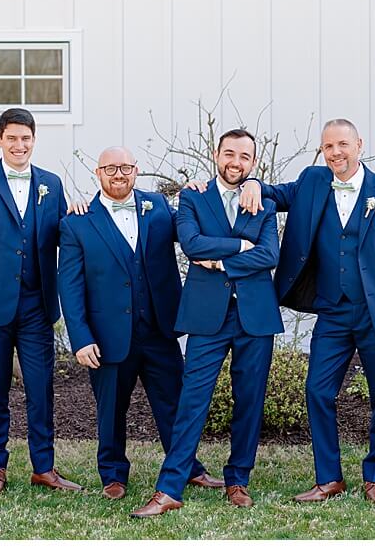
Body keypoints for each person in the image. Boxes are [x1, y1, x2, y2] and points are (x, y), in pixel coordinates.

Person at [235, 119, 375, 504]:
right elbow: (273, 193)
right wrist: (252, 183)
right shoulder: (312, 181)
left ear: (359, 145)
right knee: (317, 391)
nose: (336, 152)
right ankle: (329, 477)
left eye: (343, 144)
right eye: (328, 147)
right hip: (333, 312)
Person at [131, 129, 283, 517]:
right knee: (192, 399)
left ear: (253, 162)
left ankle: (238, 480)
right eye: (229, 153)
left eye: (244, 156)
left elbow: (269, 255)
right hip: (206, 314)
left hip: (255, 315)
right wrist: (239, 246)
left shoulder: (261, 201)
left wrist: (221, 261)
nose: (236, 161)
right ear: (216, 154)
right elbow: (192, 243)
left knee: (249, 400)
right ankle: (170, 487)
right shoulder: (194, 195)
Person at [57, 146, 223, 500]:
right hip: (107, 336)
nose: (119, 174)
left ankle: (188, 468)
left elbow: (193, 229)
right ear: (98, 173)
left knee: (174, 403)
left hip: (159, 329)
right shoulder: (77, 221)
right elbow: (69, 286)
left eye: (126, 168)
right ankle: (113, 474)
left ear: (136, 171)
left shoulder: (158, 207)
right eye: (111, 168)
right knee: (111, 409)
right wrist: (81, 338)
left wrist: (196, 192)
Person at [0, 107, 79, 495]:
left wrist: (79, 215)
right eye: (12, 138)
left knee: (41, 389)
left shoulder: (52, 184)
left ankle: (44, 467)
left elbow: (64, 236)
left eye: (26, 138)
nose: (19, 145)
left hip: (37, 306)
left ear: (34, 140)